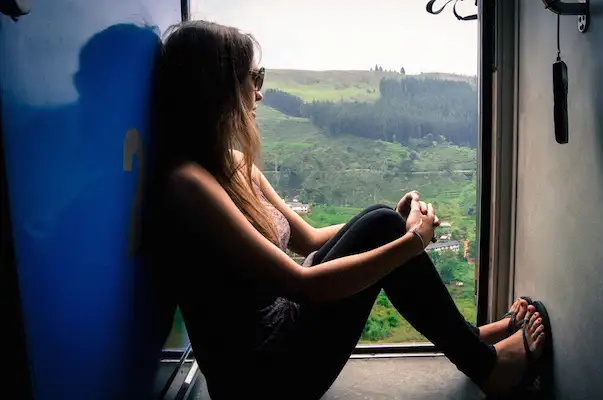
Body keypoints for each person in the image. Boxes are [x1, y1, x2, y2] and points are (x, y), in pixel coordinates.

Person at [144, 20, 548, 399]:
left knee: (382, 219)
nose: (260, 93)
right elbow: (302, 283)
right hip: (261, 377)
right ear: (216, 89)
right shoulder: (187, 183)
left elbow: (309, 240)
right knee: (387, 228)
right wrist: (411, 242)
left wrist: (394, 222)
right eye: (253, 79)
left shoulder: (234, 164)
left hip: (285, 333)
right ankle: (488, 367)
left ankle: (469, 340)